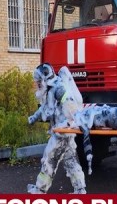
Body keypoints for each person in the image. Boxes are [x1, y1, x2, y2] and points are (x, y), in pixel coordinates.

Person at [27, 64, 87, 194]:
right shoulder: (51, 89)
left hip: (62, 133)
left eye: (38, 80)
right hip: (64, 132)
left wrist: (70, 124)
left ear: (45, 77)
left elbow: (71, 106)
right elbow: (45, 108)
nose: (37, 83)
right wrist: (34, 117)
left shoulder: (59, 89)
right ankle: (80, 189)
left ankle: (40, 190)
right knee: (71, 161)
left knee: (49, 159)